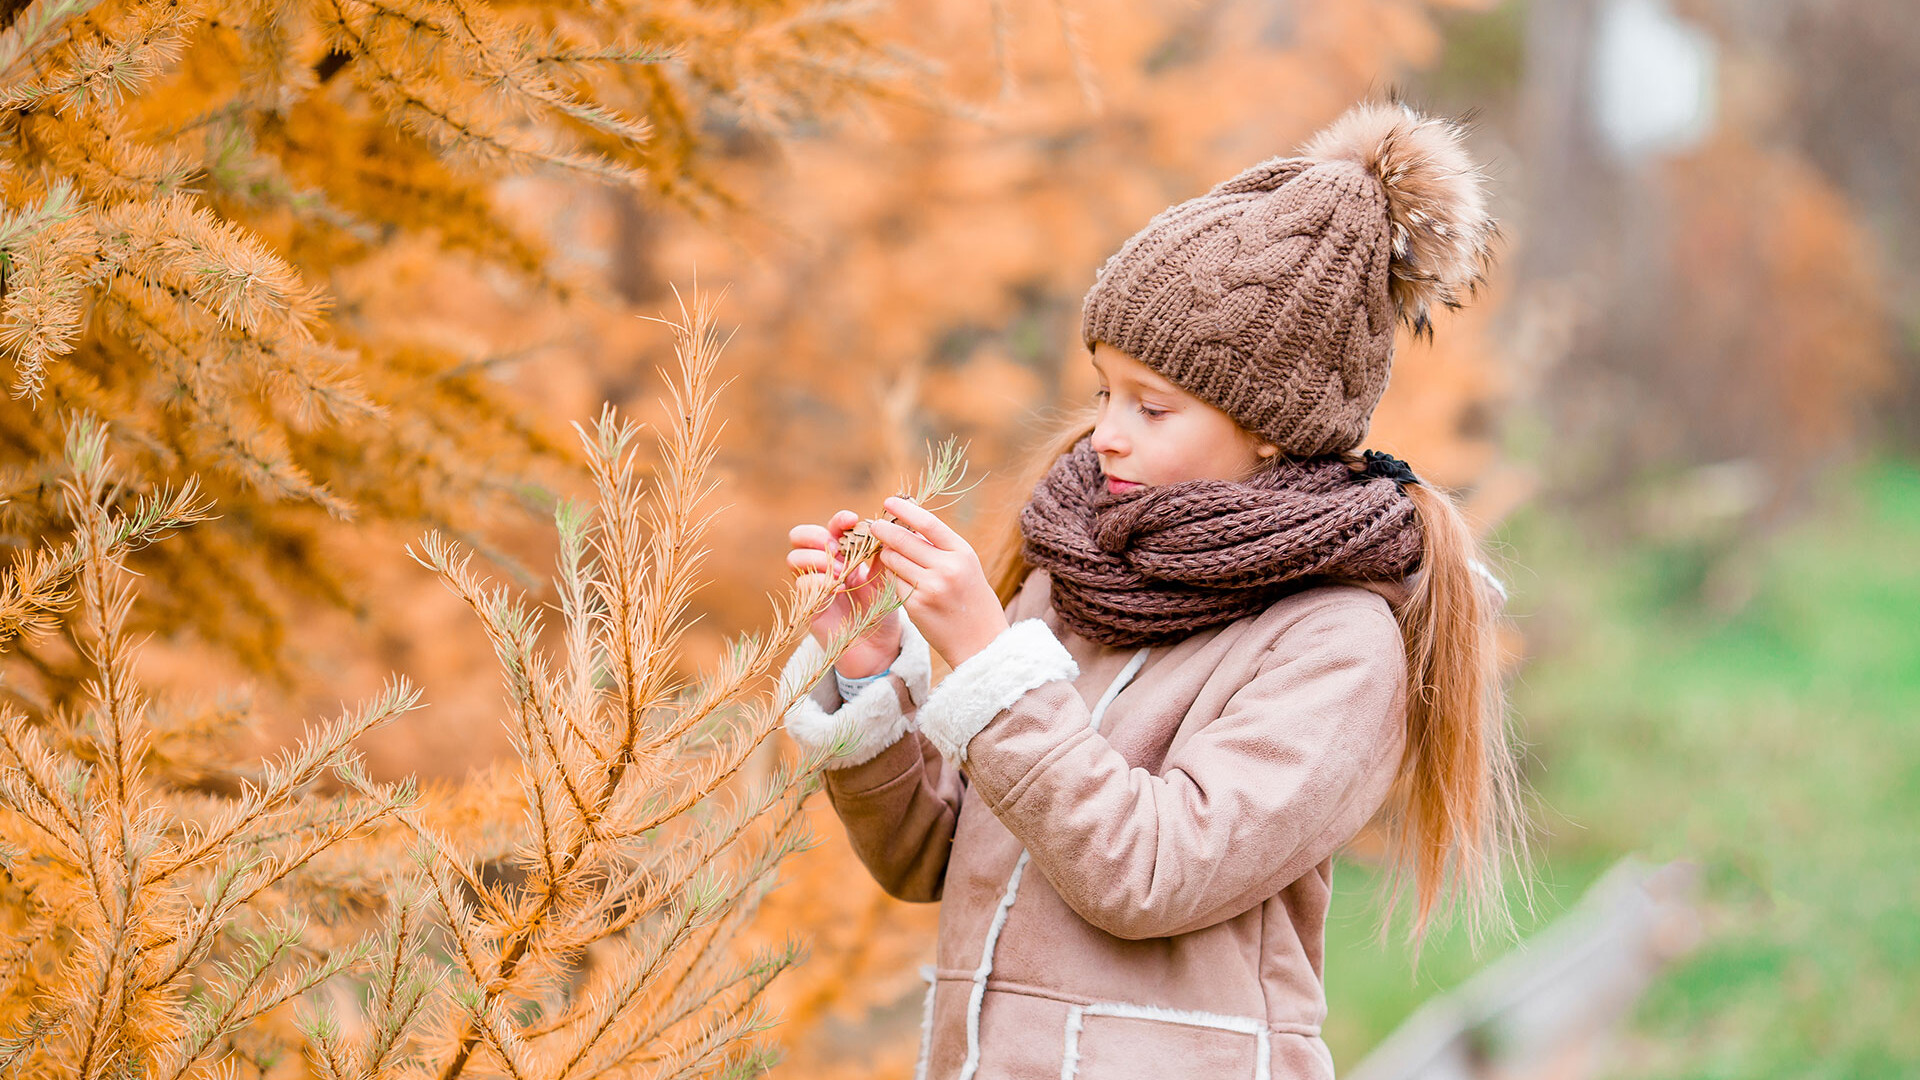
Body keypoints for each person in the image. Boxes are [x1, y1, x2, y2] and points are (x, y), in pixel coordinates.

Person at [780, 100, 1528, 1080]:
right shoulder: (1081, 577)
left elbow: (1152, 870)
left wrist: (989, 663)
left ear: (1270, 424)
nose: (1106, 433)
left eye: (1152, 406)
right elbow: (934, 859)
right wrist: (875, 678)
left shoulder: (1336, 643)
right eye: (1103, 391)